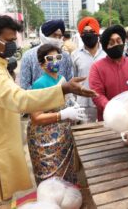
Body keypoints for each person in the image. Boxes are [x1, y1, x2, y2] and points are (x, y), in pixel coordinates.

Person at [0, 15, 96, 208]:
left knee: (1, 197)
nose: (12, 45)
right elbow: (20, 99)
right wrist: (63, 89)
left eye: (13, 41)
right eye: (8, 41)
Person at [27, 44, 86, 185]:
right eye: (49, 58)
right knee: (51, 179)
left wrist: (73, 106)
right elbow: (36, 117)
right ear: (41, 64)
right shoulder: (39, 85)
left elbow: (65, 101)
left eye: (58, 57)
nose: (55, 61)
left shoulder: (62, 79)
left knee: (68, 174)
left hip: (64, 136)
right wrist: (63, 115)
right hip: (45, 140)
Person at [89, 25, 128, 121]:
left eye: (118, 41)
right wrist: (114, 110)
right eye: (111, 43)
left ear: (123, 42)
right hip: (109, 120)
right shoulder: (97, 68)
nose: (116, 44)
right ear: (105, 47)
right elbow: (97, 95)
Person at [20, 19, 73, 90]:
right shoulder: (29, 56)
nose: (57, 39)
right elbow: (25, 85)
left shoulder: (65, 56)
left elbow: (69, 81)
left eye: (60, 37)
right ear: (45, 35)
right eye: (54, 35)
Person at [72, 17, 106, 123]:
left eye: (91, 31)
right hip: (83, 104)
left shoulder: (106, 54)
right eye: (85, 32)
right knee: (84, 135)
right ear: (81, 35)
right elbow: (74, 80)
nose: (88, 34)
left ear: (97, 33)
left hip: (104, 102)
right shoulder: (75, 55)